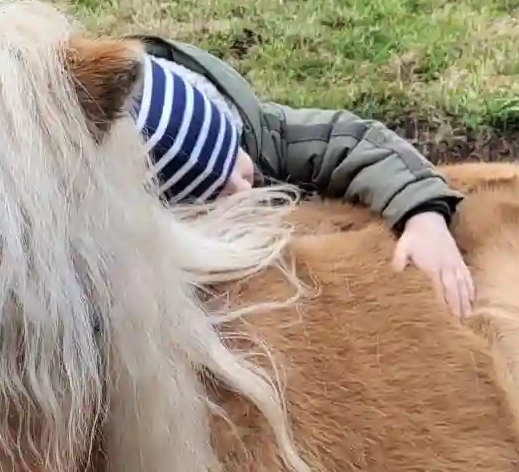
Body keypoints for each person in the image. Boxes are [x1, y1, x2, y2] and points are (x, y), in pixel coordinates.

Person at [132, 37, 475, 320]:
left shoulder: (261, 133)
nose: (243, 188)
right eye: (218, 193)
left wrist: (423, 215)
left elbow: (355, 142)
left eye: (236, 163)